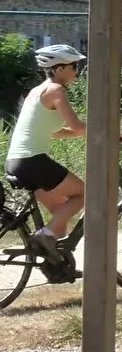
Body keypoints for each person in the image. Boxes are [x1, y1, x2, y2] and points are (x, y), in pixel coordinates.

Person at [4, 45, 91, 272]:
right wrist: (110, 130)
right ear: (59, 68)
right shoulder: (56, 90)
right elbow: (77, 126)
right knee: (86, 193)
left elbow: (54, 132)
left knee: (59, 220)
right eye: (74, 66)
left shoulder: (37, 91)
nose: (77, 72)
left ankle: (56, 268)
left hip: (17, 162)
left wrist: (87, 133)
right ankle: (43, 236)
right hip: (32, 161)